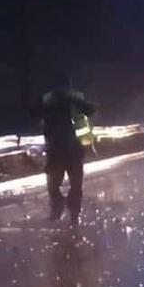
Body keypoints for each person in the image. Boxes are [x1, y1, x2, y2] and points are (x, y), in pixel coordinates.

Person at [31, 76, 96, 222]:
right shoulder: (50, 101)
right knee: (57, 183)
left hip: (69, 148)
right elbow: (33, 112)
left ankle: (71, 212)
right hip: (61, 148)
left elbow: (90, 110)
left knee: (71, 183)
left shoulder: (74, 101)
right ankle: (61, 208)